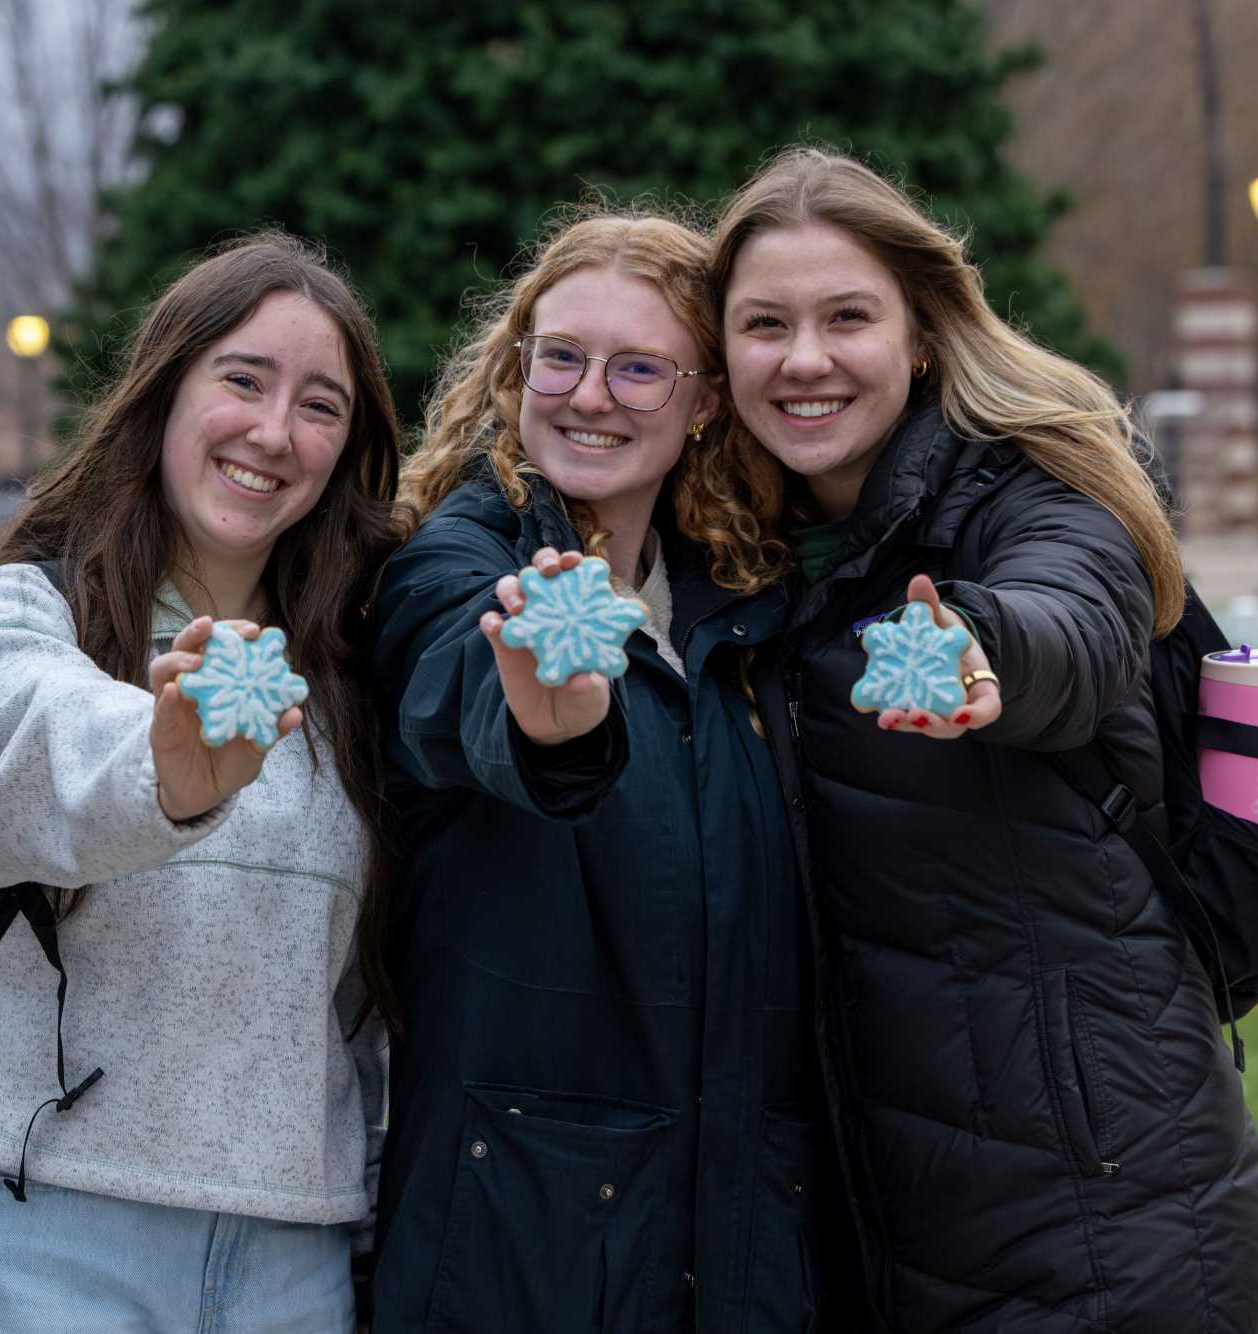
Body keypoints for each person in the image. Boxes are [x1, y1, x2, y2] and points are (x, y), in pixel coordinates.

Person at [705, 146, 1258, 1331]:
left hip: (1110, 1221)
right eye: (763, 323)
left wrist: (981, 651)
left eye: (845, 317)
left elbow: (1072, 621)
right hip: (892, 1231)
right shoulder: (738, 551)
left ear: (919, 332)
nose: (803, 358)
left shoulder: (1039, 487)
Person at [0, 234, 399, 1332]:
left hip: (293, 1245)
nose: (272, 430)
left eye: (319, 405)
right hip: (32, 1224)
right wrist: (170, 763)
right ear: (163, 390)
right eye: (241, 380)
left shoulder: (358, 667)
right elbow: (38, 746)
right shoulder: (11, 614)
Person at [366, 209, 842, 1332]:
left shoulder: (739, 611)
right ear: (515, 366)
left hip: (735, 1250)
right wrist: (546, 718)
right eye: (561, 356)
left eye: (639, 368)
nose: (589, 395)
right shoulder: (459, 557)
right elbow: (455, 689)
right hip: (511, 1251)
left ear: (705, 398)